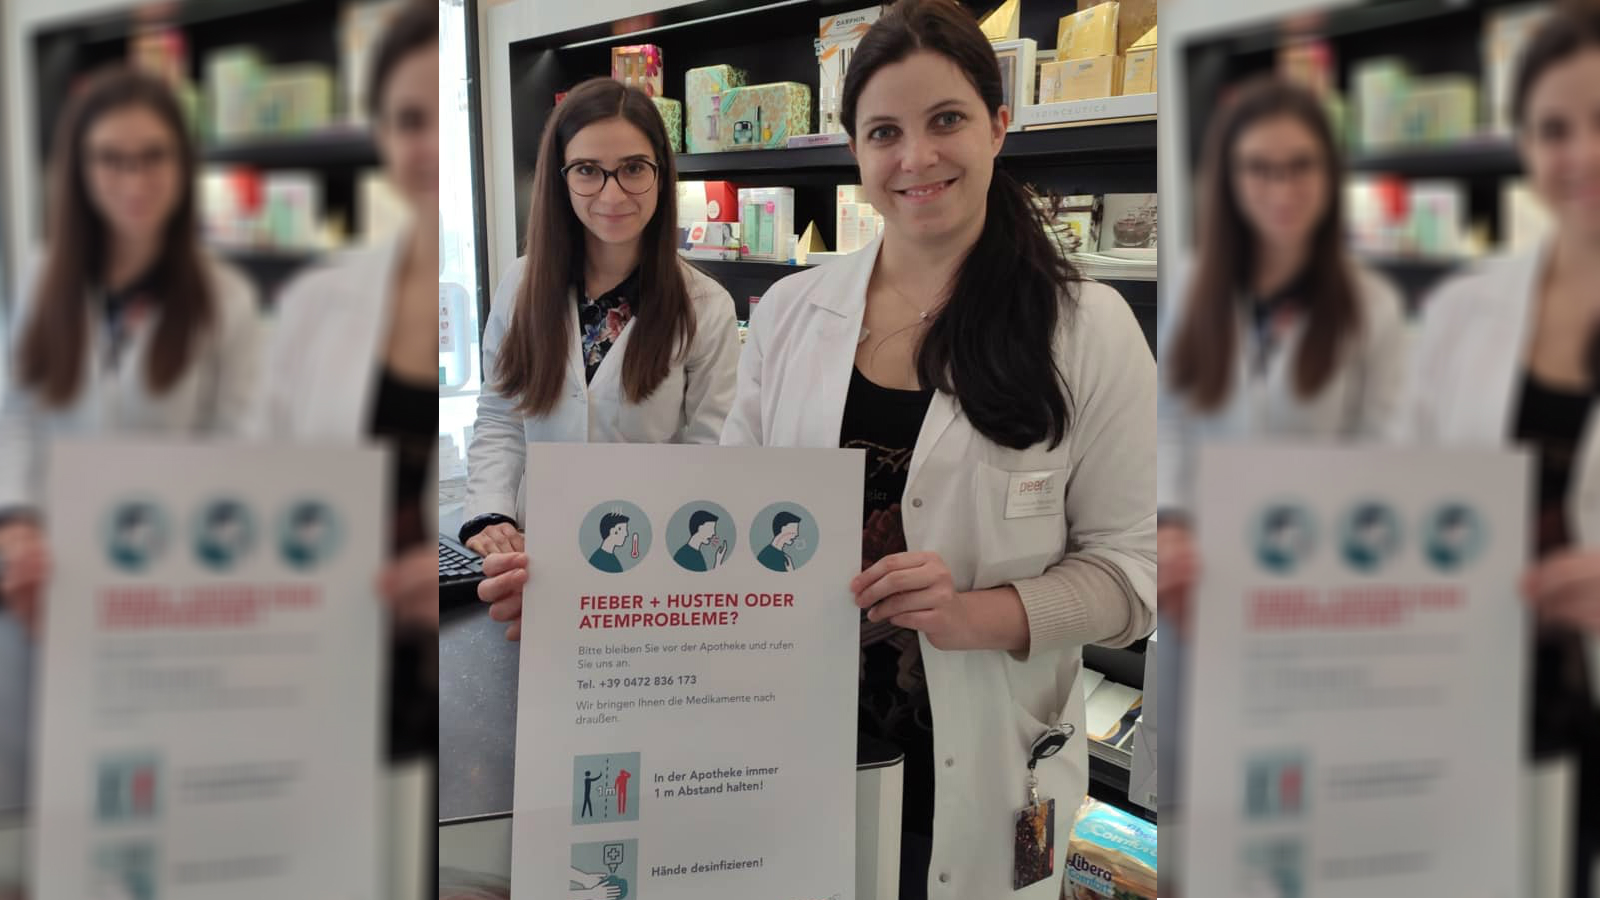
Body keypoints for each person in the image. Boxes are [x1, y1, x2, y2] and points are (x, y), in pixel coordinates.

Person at [720, 2, 1154, 895]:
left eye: (946, 119)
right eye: (885, 132)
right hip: (791, 747)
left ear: (998, 125)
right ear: (856, 150)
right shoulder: (792, 315)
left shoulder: (1089, 328)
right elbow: (723, 523)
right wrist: (583, 595)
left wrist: (977, 613)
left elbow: (1136, 576)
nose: (916, 157)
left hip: (977, 774)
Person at [1392, 5, 1600, 889]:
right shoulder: (1463, 311)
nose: (1581, 153)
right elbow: (1397, 499)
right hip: (1474, 706)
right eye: (1554, 129)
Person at [469, 77, 741, 638]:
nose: (612, 195)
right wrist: (491, 515)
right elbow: (501, 417)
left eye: (634, 168)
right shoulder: (521, 285)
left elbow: (711, 454)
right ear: (561, 178)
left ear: (661, 174)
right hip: (536, 560)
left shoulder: (705, 306)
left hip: (651, 567)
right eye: (588, 170)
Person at [0, 67, 261, 633]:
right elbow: (18, 413)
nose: (134, 178)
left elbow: (237, 446)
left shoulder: (227, 297)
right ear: (79, 168)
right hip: (52, 573)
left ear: (183, 164)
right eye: (110, 158)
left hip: (170, 575)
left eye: (153, 156)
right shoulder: (42, 277)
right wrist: (17, 520)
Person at [251, 0, 440, 761]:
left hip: (457, 663)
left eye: (442, 118)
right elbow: (258, 484)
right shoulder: (314, 302)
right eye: (409, 120)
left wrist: (447, 574)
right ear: (380, 136)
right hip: (326, 667)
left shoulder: (508, 298)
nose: (430, 145)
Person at [1157, 76, 1409, 630]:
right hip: (1202, 574)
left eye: (1301, 166)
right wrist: (1171, 522)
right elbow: (1171, 420)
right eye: (1259, 168)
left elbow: (1384, 449)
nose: (1282, 188)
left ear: (1330, 174)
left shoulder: (1373, 304)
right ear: (1229, 178)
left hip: (1316, 574)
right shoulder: (1194, 286)